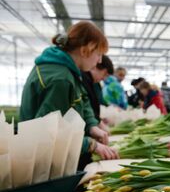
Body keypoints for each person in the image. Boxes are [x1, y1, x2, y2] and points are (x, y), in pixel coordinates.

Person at [19, 21, 118, 160]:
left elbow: (83, 99)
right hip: (42, 159)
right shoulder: (60, 79)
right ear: (85, 51)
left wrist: (91, 126)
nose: (99, 61)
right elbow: (50, 131)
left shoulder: (69, 71)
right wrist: (91, 145)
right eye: (99, 54)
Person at [81, 54, 113, 126]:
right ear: (95, 66)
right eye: (104, 74)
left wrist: (98, 120)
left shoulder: (93, 82)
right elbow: (85, 107)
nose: (104, 78)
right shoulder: (83, 79)